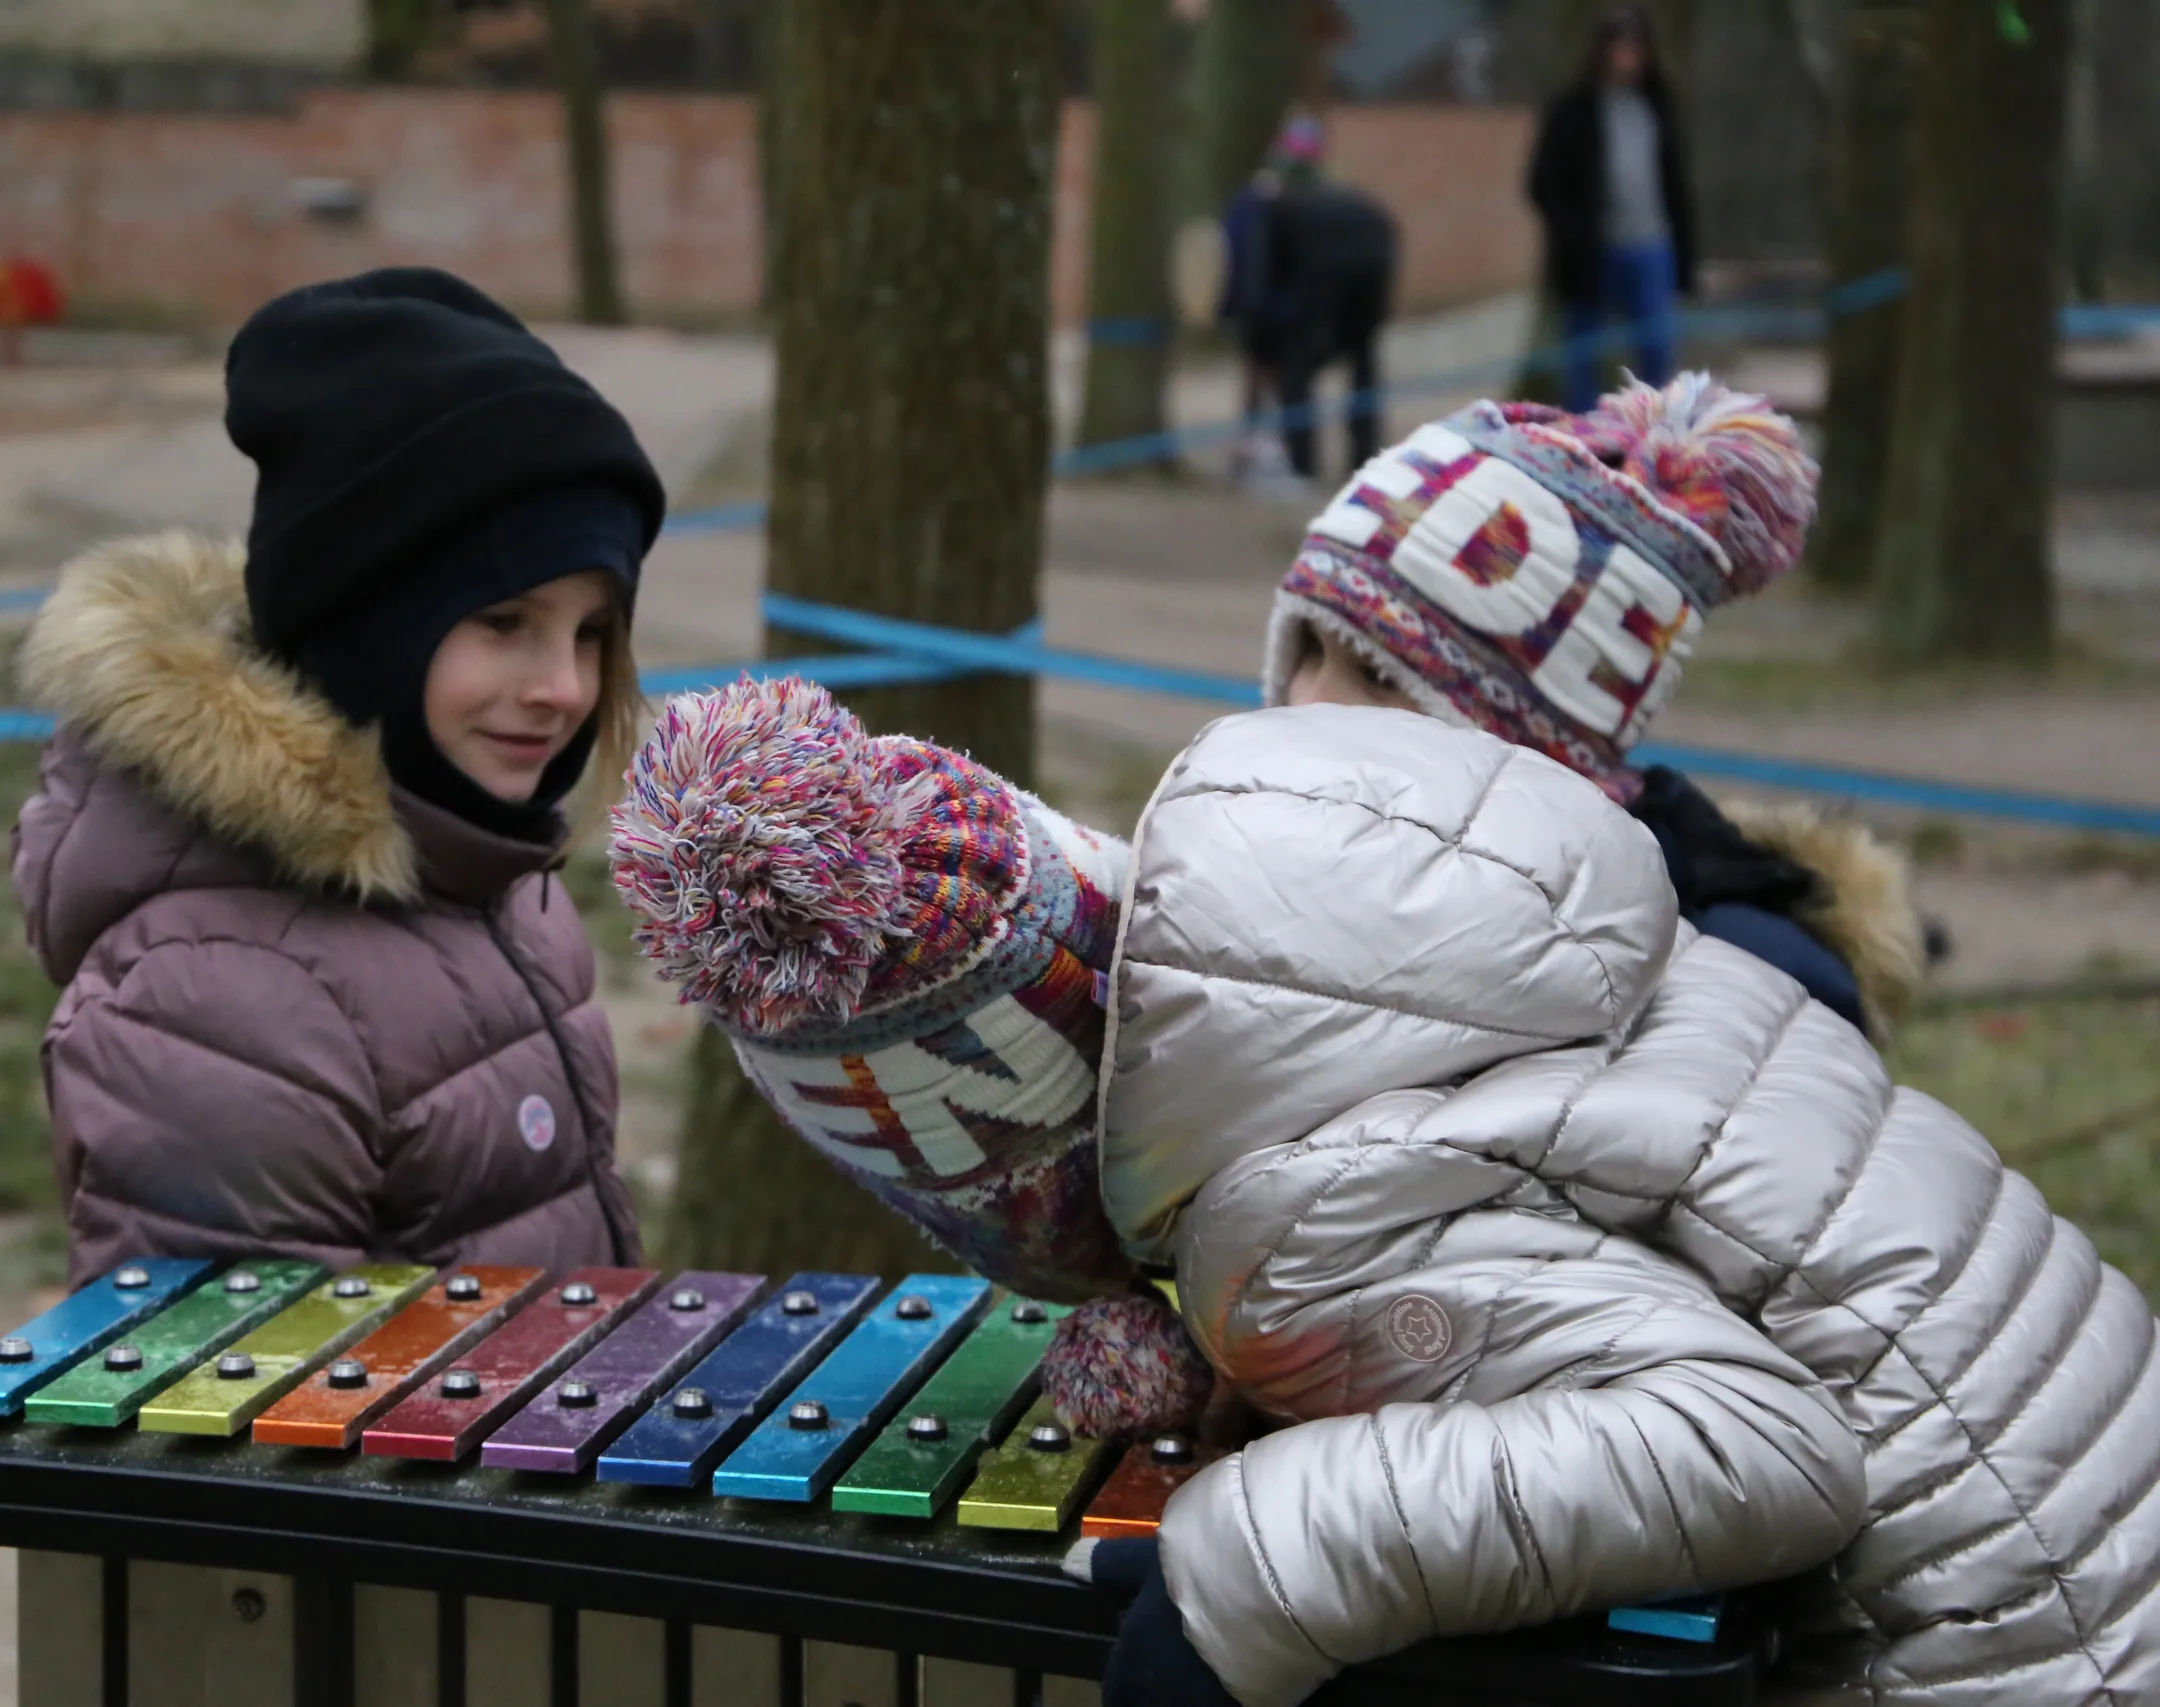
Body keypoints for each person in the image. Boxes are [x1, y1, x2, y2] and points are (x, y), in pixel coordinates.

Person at [607, 376, 2160, 1705]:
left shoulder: (1702, 969)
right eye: (1309, 653)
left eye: (1388, 688)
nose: (1314, 708)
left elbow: (1727, 1433)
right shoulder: (1441, 963)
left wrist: (1258, 1558)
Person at [13, 267, 659, 1288]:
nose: (564, 687)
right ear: (368, 625)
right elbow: (239, 1381)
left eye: (591, 632)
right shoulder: (224, 1000)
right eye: (504, 621)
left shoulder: (488, 872)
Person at [1263, 372, 1924, 1038]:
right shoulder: (1266, 885)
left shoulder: (1742, 990)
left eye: (1378, 673)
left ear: (1532, 741)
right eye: (1309, 647)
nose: (1307, 699)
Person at [1526, 7, 1697, 413]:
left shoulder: (1658, 107)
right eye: (1620, 47)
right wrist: (1572, 230)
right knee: (1584, 351)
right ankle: (1583, 428)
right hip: (1591, 251)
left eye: (1636, 48)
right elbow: (1542, 181)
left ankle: (1654, 422)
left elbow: (1675, 183)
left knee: (1656, 346)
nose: (1627, 57)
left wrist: (1685, 251)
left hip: (1650, 244)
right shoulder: (1573, 110)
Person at [1227, 116, 1398, 483]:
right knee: (1362, 368)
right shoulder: (1354, 205)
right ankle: (1362, 457)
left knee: (1295, 375)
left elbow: (1251, 267)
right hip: (1355, 295)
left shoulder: (1267, 204)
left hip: (1305, 307)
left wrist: (1251, 319)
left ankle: (1301, 462)